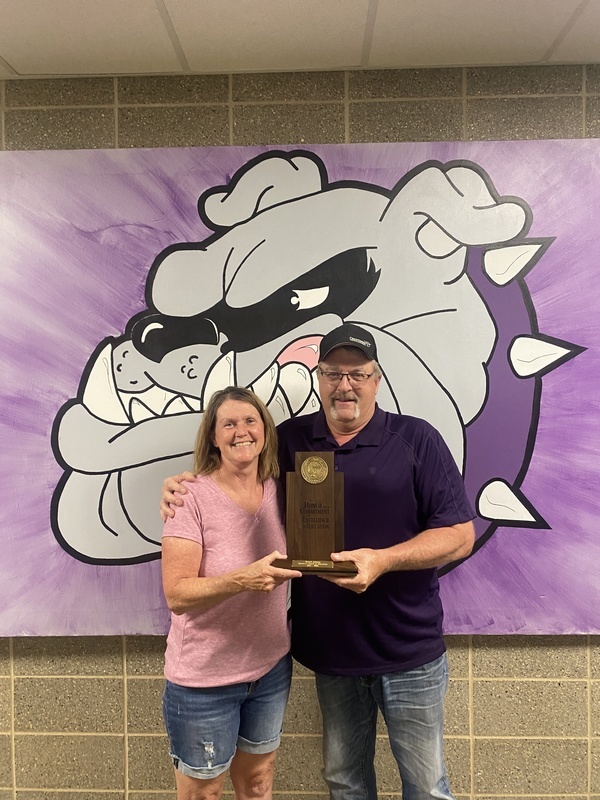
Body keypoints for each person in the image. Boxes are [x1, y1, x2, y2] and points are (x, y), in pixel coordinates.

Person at [161, 324, 475, 800]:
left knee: (427, 785)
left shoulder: (417, 438)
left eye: (357, 374)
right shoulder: (289, 440)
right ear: (319, 378)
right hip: (332, 653)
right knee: (344, 780)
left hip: (409, 649)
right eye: (332, 373)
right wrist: (178, 488)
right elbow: (236, 466)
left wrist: (383, 561)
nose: (344, 385)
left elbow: (459, 536)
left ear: (376, 379)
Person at [160, 385, 301, 800]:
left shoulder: (284, 490)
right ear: (213, 436)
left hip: (269, 670)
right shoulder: (189, 497)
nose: (242, 431)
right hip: (205, 680)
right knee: (204, 793)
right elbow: (177, 594)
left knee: (258, 783)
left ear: (265, 430)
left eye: (251, 420)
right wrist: (243, 579)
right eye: (229, 424)